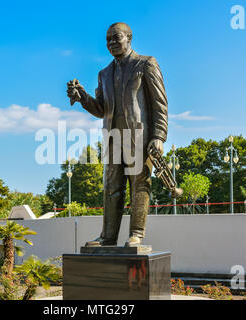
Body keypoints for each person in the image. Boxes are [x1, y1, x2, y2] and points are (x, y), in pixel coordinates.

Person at [66, 22, 168, 247]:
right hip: (113, 139)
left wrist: (159, 136)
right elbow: (101, 109)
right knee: (111, 188)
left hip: (140, 139)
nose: (111, 42)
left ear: (129, 38)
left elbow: (160, 104)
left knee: (139, 185)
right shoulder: (104, 74)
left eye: (116, 37)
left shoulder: (146, 64)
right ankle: (107, 236)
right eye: (107, 40)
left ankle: (136, 234)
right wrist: (83, 97)